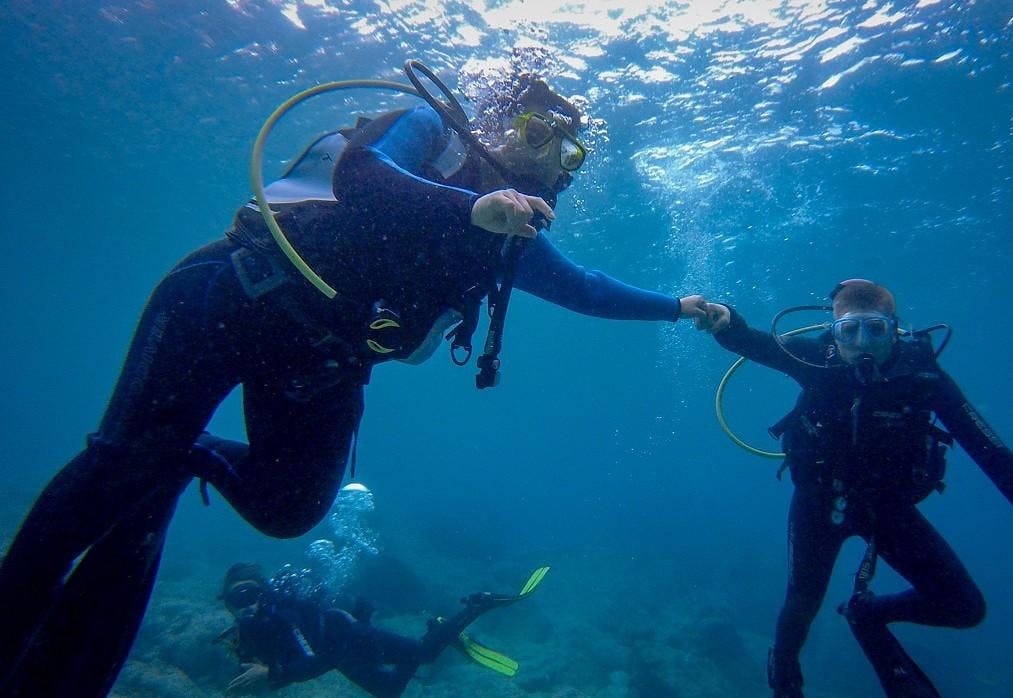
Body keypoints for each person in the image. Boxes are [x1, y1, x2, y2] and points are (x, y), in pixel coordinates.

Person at [0, 66, 708, 697]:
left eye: (568, 150)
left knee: (289, 509)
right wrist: (468, 207)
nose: (548, 156)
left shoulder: (512, 232)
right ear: (495, 121)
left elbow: (583, 288)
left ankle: (184, 452)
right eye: (535, 130)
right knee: (114, 472)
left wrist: (678, 308)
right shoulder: (432, 129)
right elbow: (361, 175)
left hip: (320, 364)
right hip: (232, 295)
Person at [696, 279, 1013, 697]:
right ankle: (784, 675)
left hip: (887, 507)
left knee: (965, 608)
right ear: (834, 330)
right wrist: (726, 322)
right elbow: (756, 343)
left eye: (875, 330)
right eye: (849, 331)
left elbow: (988, 450)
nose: (863, 343)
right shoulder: (817, 360)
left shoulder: (923, 375)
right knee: (802, 606)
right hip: (819, 502)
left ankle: (867, 614)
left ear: (895, 328)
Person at [216, 563, 541, 697]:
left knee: (426, 654)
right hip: (339, 654)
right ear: (227, 604)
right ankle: (435, 631)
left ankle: (476, 606)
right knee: (389, 692)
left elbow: (314, 662)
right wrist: (266, 675)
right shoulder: (242, 636)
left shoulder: (283, 616)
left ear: (264, 596)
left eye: (251, 595)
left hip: (349, 634)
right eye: (235, 599)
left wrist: (270, 672)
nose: (244, 605)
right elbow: (260, 677)